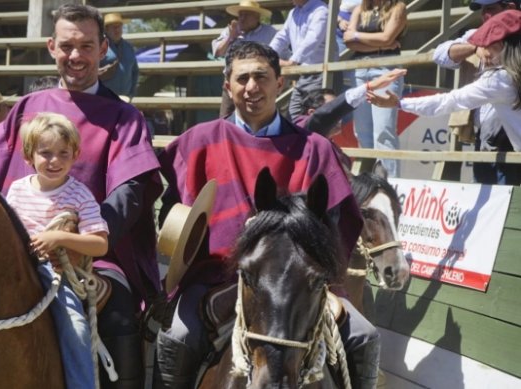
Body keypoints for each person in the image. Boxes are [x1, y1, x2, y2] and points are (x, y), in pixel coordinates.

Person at [0, 5, 161, 389]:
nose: (76, 55)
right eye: (67, 45)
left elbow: (129, 193)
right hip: (16, 251)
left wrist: (78, 243)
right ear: (52, 47)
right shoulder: (25, 109)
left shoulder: (125, 118)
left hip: (92, 255)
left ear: (103, 48)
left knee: (118, 313)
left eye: (87, 45)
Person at [155, 41, 379, 389]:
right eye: (242, 78)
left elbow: (341, 221)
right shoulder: (196, 142)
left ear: (280, 82)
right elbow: (172, 212)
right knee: (178, 337)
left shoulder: (314, 149)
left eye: (261, 76)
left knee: (364, 336)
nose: (252, 87)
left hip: (298, 284)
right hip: (217, 278)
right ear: (227, 85)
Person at [7, 112, 109, 389]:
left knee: (75, 326)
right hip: (14, 271)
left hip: (56, 276)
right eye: (46, 153)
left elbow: (100, 243)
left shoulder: (79, 195)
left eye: (64, 153)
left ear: (75, 154)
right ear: (29, 156)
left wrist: (59, 238)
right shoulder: (16, 190)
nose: (55, 161)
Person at [368, 10, 521, 153]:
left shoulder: (499, 79)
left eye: (490, 45)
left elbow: (449, 101)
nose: (484, 52)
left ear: (504, 47)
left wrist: (399, 103)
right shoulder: (504, 77)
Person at [432, 0, 520, 185]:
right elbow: (439, 55)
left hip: (509, 129)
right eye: (482, 10)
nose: (484, 15)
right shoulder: (477, 35)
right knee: (488, 187)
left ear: (510, 8)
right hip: (486, 132)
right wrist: (476, 46)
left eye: (490, 9)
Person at [342, 0, 406, 178]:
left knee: (384, 130)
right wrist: (380, 44)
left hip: (386, 67)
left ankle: (390, 184)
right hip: (360, 69)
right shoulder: (360, 8)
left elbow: (387, 37)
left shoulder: (398, 7)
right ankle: (368, 184)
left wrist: (357, 36)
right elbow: (348, 41)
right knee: (362, 132)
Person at [296, 68, 407, 138]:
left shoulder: (334, 149)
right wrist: (371, 85)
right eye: (333, 108)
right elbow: (345, 101)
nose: (339, 116)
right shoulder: (303, 133)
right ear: (311, 113)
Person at [212, 0, 277, 117]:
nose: (241, 18)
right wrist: (230, 38)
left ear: (257, 17)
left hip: (258, 83)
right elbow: (217, 52)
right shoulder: (231, 30)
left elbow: (282, 55)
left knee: (256, 118)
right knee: (225, 118)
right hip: (233, 82)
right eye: (240, 15)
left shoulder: (270, 33)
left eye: (246, 15)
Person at [269, 0, 329, 120]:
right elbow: (282, 37)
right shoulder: (293, 13)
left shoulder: (321, 10)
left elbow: (313, 39)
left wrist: (292, 61)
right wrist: (267, 54)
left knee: (312, 118)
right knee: (295, 117)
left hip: (319, 73)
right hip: (306, 73)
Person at [99, 13, 139, 101]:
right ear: (106, 29)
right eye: (113, 27)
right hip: (103, 99)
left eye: (119, 26)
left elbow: (135, 71)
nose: (117, 30)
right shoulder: (99, 47)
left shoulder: (129, 47)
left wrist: (132, 94)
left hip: (125, 99)